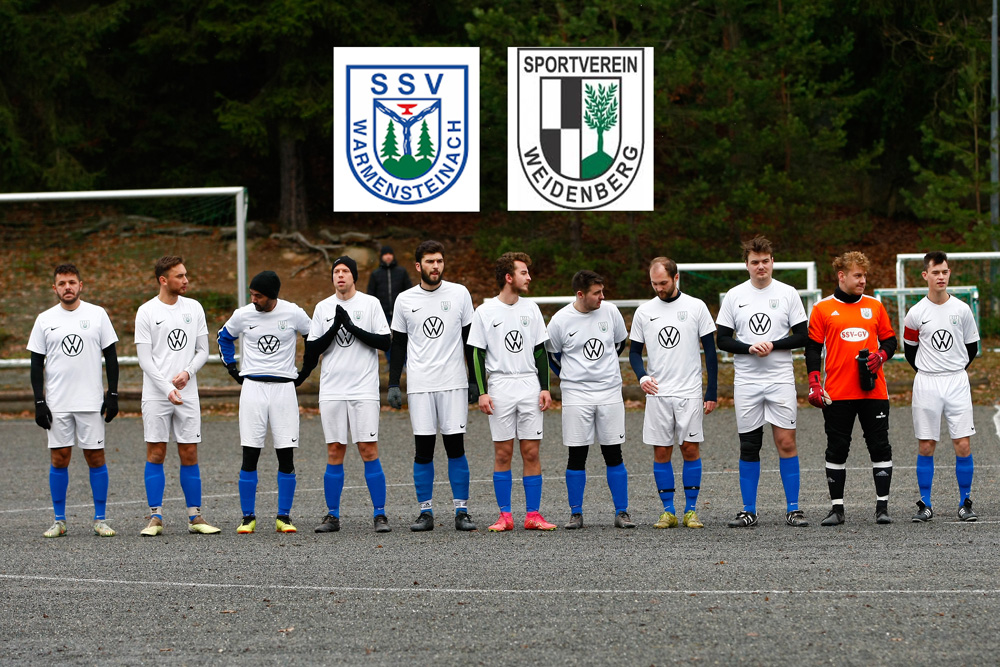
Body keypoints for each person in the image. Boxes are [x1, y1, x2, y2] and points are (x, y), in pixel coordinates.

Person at [716, 236, 810, 528]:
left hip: (780, 379)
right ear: (746, 264)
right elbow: (723, 339)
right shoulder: (734, 296)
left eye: (765, 261)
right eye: (755, 262)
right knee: (749, 445)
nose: (761, 266)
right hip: (746, 382)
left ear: (773, 262)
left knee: (785, 441)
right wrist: (748, 348)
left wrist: (774, 344)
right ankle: (748, 510)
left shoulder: (788, 293)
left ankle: (793, 509)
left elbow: (803, 335)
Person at [387, 240, 478, 532]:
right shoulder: (404, 299)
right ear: (418, 266)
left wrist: (476, 380)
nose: (435, 266)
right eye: (429, 262)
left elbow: (470, 341)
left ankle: (461, 511)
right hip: (420, 385)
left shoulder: (460, 293)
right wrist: (393, 384)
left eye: (439, 261)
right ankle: (425, 513)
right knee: (423, 450)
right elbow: (398, 345)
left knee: (456, 448)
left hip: (453, 383)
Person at [297, 256, 392, 533]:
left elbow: (384, 341)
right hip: (332, 389)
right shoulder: (323, 307)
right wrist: (334, 327)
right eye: (336, 271)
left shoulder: (370, 304)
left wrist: (351, 327)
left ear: (354, 276)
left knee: (368, 449)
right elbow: (313, 351)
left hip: (363, 388)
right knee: (335, 449)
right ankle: (332, 515)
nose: (340, 276)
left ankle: (380, 514)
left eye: (345, 271)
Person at [806, 251, 898, 525]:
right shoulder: (822, 308)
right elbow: (812, 347)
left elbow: (890, 341)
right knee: (837, 448)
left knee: (880, 447)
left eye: (865, 275)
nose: (863, 281)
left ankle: (882, 508)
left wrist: (881, 355)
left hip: (874, 392)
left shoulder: (875, 306)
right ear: (842, 276)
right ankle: (837, 509)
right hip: (837, 392)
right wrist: (813, 381)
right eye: (858, 276)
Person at [28, 263, 120, 538]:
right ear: (54, 288)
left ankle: (100, 519)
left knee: (95, 457)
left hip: (91, 402)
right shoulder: (44, 319)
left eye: (72, 282)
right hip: (57, 403)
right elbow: (35, 365)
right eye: (62, 283)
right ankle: (59, 520)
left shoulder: (97, 314)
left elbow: (112, 358)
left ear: (81, 285)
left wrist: (112, 394)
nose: (67, 287)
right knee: (59, 458)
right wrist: (39, 401)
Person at [218, 270, 311, 534]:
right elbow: (224, 336)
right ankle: (248, 517)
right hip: (253, 388)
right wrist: (232, 368)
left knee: (286, 453)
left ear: (272, 296)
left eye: (258, 296)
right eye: (252, 295)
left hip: (283, 389)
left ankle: (284, 516)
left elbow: (313, 336)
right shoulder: (243, 314)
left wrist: (305, 370)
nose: (254, 299)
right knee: (250, 452)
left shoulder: (292, 312)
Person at [468, 252, 556, 532]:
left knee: (531, 452)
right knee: (503, 453)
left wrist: (545, 387)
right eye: (523, 273)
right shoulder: (485, 311)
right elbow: (476, 354)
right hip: (500, 385)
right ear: (509, 277)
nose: (529, 277)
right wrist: (482, 391)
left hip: (529, 384)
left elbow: (540, 351)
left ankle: (533, 515)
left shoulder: (531, 309)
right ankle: (505, 515)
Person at [629, 258, 718, 529]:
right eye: (654, 284)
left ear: (676, 278)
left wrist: (711, 390)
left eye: (663, 283)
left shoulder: (696, 306)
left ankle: (691, 510)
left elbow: (711, 353)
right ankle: (668, 511)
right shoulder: (644, 311)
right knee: (661, 451)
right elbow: (633, 352)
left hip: (689, 391)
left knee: (690, 449)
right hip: (658, 393)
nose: (659, 288)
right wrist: (642, 376)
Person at [134, 256, 220, 536]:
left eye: (186, 275)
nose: (186, 280)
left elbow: (203, 351)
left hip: (187, 394)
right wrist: (167, 388)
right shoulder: (146, 311)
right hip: (157, 395)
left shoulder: (194, 308)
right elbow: (145, 361)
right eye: (179, 276)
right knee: (156, 453)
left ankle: (195, 517)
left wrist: (187, 372)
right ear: (163, 280)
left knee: (190, 452)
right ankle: (155, 517)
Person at [546, 270, 635, 529]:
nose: (602, 296)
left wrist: (600, 372)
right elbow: (553, 355)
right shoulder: (561, 320)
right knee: (577, 454)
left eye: (602, 291)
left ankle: (622, 512)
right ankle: (576, 513)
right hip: (576, 394)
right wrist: (574, 377)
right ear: (580, 294)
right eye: (596, 293)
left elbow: (619, 343)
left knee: (613, 453)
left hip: (609, 391)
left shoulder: (610, 311)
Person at [902, 251, 980, 522]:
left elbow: (972, 347)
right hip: (927, 381)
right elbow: (910, 351)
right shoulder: (915, 313)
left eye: (944, 272)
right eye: (935, 272)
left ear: (949, 274)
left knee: (962, 444)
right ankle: (925, 503)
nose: (941, 276)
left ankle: (965, 502)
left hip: (957, 380)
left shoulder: (962, 309)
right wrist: (930, 371)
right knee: (926, 445)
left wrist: (953, 369)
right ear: (925, 275)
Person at [367, 245, 412, 361]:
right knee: (387, 338)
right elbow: (371, 293)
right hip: (383, 312)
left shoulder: (401, 272)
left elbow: (409, 290)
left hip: (400, 311)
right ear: (381, 257)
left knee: (402, 337)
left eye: (390, 254)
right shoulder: (375, 274)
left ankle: (404, 362)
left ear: (393, 256)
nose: (388, 257)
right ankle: (390, 361)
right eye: (385, 254)